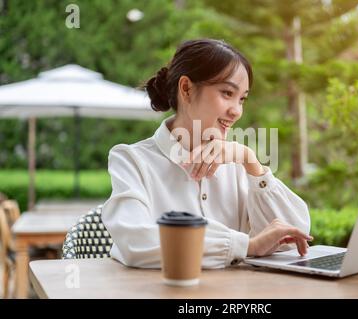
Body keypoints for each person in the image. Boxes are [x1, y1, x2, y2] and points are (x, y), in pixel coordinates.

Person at [102, 38, 312, 269]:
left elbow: (294, 238)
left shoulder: (236, 163)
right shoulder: (132, 160)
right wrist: (246, 247)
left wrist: (252, 163)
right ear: (187, 89)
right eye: (227, 93)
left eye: (242, 99)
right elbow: (137, 243)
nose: (236, 111)